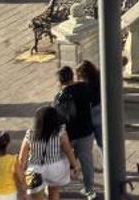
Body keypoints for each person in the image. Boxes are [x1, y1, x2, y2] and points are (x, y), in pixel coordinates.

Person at [52, 65, 96, 195]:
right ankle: (89, 190)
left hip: (68, 136)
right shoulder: (85, 88)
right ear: (72, 77)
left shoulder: (59, 97)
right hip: (86, 132)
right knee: (87, 162)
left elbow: (58, 119)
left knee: (60, 160)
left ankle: (58, 188)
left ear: (60, 81)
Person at [18, 106, 76, 200]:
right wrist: (74, 165)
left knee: (36, 196)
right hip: (55, 168)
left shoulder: (31, 134)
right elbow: (68, 150)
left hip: (35, 169)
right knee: (54, 192)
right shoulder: (60, 132)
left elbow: (22, 158)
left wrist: (21, 177)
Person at [76, 61, 102, 151]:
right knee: (102, 144)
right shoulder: (99, 78)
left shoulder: (85, 86)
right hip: (99, 113)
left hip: (91, 115)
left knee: (85, 148)